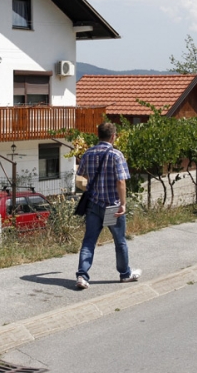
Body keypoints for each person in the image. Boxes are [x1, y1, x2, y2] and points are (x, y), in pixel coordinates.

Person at [75, 122, 141, 290]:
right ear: (113, 136)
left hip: (93, 204)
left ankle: (82, 275)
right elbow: (121, 181)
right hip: (112, 206)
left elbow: (81, 175)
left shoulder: (88, 153)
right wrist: (123, 204)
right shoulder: (116, 155)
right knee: (119, 241)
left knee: (89, 241)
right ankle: (125, 274)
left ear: (98, 135)